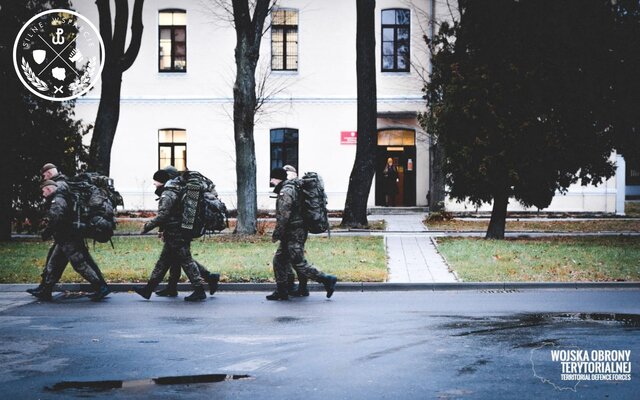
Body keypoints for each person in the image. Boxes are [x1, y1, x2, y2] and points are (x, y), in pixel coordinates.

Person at [134, 168, 209, 301]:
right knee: (163, 262)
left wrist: (147, 226)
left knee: (186, 261)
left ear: (161, 181)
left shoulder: (168, 193)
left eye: (155, 181)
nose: (154, 184)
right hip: (176, 232)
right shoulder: (175, 188)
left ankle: (199, 290)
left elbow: (164, 215)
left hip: (177, 233)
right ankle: (148, 289)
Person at [32, 180, 110, 301]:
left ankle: (100, 287)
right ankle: (46, 290)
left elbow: (56, 218)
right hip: (65, 237)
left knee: (79, 264)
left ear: (48, 189)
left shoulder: (58, 200)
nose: (42, 194)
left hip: (68, 237)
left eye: (43, 191)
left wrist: (46, 232)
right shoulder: (62, 197)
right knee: (54, 263)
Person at [267, 168, 337, 301]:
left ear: (277, 179)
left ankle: (326, 279)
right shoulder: (293, 188)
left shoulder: (286, 191)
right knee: (281, 260)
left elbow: (284, 215)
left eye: (272, 178)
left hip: (293, 231)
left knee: (298, 262)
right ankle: (291, 289)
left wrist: (277, 233)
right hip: (297, 229)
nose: (271, 181)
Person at [151, 166, 221, 298]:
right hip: (183, 228)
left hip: (180, 230)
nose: (155, 183)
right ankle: (172, 287)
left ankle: (206, 280)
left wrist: (154, 227)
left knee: (183, 258)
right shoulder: (179, 188)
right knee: (177, 258)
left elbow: (169, 213)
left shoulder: (173, 190)